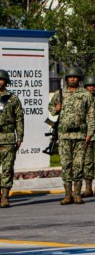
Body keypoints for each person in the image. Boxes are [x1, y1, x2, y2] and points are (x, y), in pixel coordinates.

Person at [48, 67, 95, 205]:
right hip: (64, 135)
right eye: (70, 77)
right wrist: (55, 109)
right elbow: (51, 107)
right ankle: (67, 194)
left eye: (75, 77)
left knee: (78, 164)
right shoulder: (60, 93)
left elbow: (91, 115)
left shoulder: (86, 94)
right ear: (67, 79)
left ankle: (77, 194)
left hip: (80, 134)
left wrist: (89, 133)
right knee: (66, 164)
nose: (73, 79)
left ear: (79, 79)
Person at [0, 69, 24, 208]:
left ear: (6, 81)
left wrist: (20, 137)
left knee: (7, 168)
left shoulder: (12, 98)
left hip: (8, 137)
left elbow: (19, 119)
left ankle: (5, 196)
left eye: (1, 79)